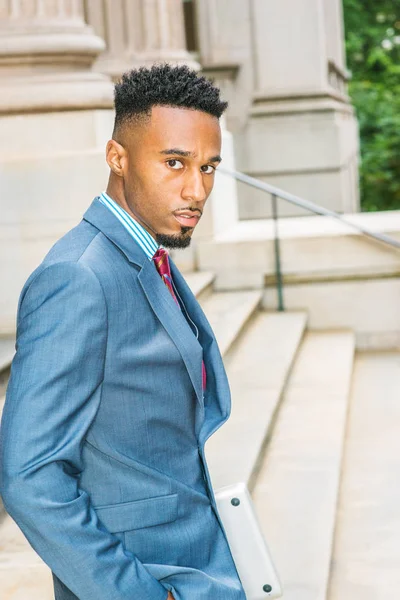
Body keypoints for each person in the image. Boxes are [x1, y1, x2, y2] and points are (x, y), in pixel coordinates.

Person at [0, 64, 246, 600]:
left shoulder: (146, 253)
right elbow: (30, 476)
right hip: (143, 577)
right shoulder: (79, 277)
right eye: (174, 163)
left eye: (208, 168)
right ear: (118, 158)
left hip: (198, 561)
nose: (196, 189)